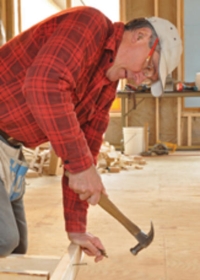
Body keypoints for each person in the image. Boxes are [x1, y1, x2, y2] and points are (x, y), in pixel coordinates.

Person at [0, 6, 182, 262]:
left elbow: (86, 150)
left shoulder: (106, 88)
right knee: (4, 240)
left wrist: (77, 227)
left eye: (149, 78)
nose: (141, 79)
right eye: (149, 67)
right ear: (140, 36)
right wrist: (81, 167)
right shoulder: (90, 24)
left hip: (10, 149)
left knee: (17, 250)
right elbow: (44, 84)